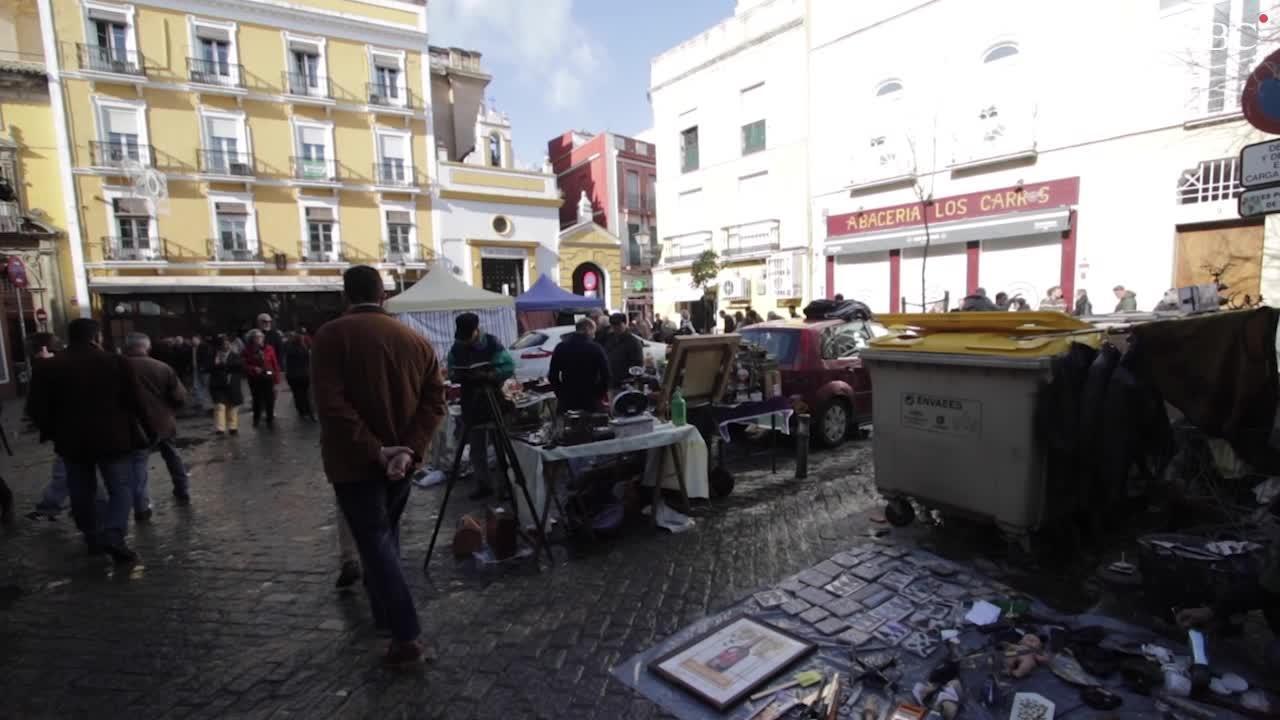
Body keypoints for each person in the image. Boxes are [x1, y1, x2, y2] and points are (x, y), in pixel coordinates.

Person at [312, 265, 446, 667]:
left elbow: (331, 406)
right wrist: (405, 449)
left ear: (345, 294)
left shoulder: (330, 336)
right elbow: (434, 402)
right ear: (384, 294)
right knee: (385, 537)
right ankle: (386, 617)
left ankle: (406, 636)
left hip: (355, 463)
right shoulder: (415, 340)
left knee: (375, 542)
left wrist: (380, 450)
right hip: (397, 463)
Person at [26, 318, 153, 564]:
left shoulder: (49, 367)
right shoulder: (116, 362)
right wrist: (148, 430)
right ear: (96, 337)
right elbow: (137, 402)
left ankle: (92, 537)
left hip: (72, 441)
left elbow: (35, 409)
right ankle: (114, 534)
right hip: (114, 439)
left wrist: (53, 431)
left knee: (81, 490)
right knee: (120, 488)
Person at [446, 312, 516, 500]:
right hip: (470, 401)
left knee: (501, 446)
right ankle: (483, 484)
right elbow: (450, 367)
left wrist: (490, 375)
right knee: (477, 448)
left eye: (468, 337)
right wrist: (456, 375)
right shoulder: (457, 347)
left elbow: (509, 366)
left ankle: (504, 486)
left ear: (476, 331)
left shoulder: (492, 343)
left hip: (493, 399)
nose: (465, 341)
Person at [124, 332, 191, 518]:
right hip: (163, 421)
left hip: (134, 425)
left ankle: (141, 506)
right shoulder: (162, 367)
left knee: (138, 465)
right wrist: (169, 410)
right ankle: (182, 489)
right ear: (147, 347)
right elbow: (180, 397)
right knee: (172, 455)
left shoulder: (118, 368)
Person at [548, 318, 610, 412]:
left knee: (570, 425)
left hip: (568, 397)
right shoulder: (595, 348)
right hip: (591, 398)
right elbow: (606, 375)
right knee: (593, 424)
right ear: (588, 329)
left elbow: (552, 375)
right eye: (593, 332)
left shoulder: (560, 347)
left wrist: (560, 393)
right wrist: (599, 394)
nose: (594, 336)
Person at [243, 329, 281, 428]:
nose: (260, 339)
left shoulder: (269, 348)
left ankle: (270, 418)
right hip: (255, 378)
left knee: (270, 398)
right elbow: (244, 365)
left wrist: (276, 379)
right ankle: (256, 418)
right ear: (252, 339)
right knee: (257, 399)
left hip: (268, 375)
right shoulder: (247, 351)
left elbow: (275, 364)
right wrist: (253, 369)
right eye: (257, 337)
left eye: (261, 337)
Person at [207, 335, 245, 435]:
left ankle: (233, 427)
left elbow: (239, 366)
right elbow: (208, 367)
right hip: (217, 385)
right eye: (224, 343)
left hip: (232, 385)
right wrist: (218, 366)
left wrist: (222, 366)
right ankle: (220, 428)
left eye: (228, 343)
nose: (227, 345)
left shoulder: (235, 355)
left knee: (232, 406)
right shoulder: (213, 356)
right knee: (220, 406)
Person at [603, 313, 644, 389]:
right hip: (611, 381)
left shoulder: (633, 342)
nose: (615, 327)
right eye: (613, 324)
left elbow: (638, 363)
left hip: (626, 383)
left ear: (625, 323)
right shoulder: (609, 338)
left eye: (618, 324)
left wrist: (632, 380)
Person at [283, 332, 315, 421]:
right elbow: (309, 362)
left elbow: (287, 364)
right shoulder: (305, 350)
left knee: (298, 395)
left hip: (293, 376)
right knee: (307, 395)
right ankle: (310, 412)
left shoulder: (289, 350)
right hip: (305, 375)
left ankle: (302, 412)